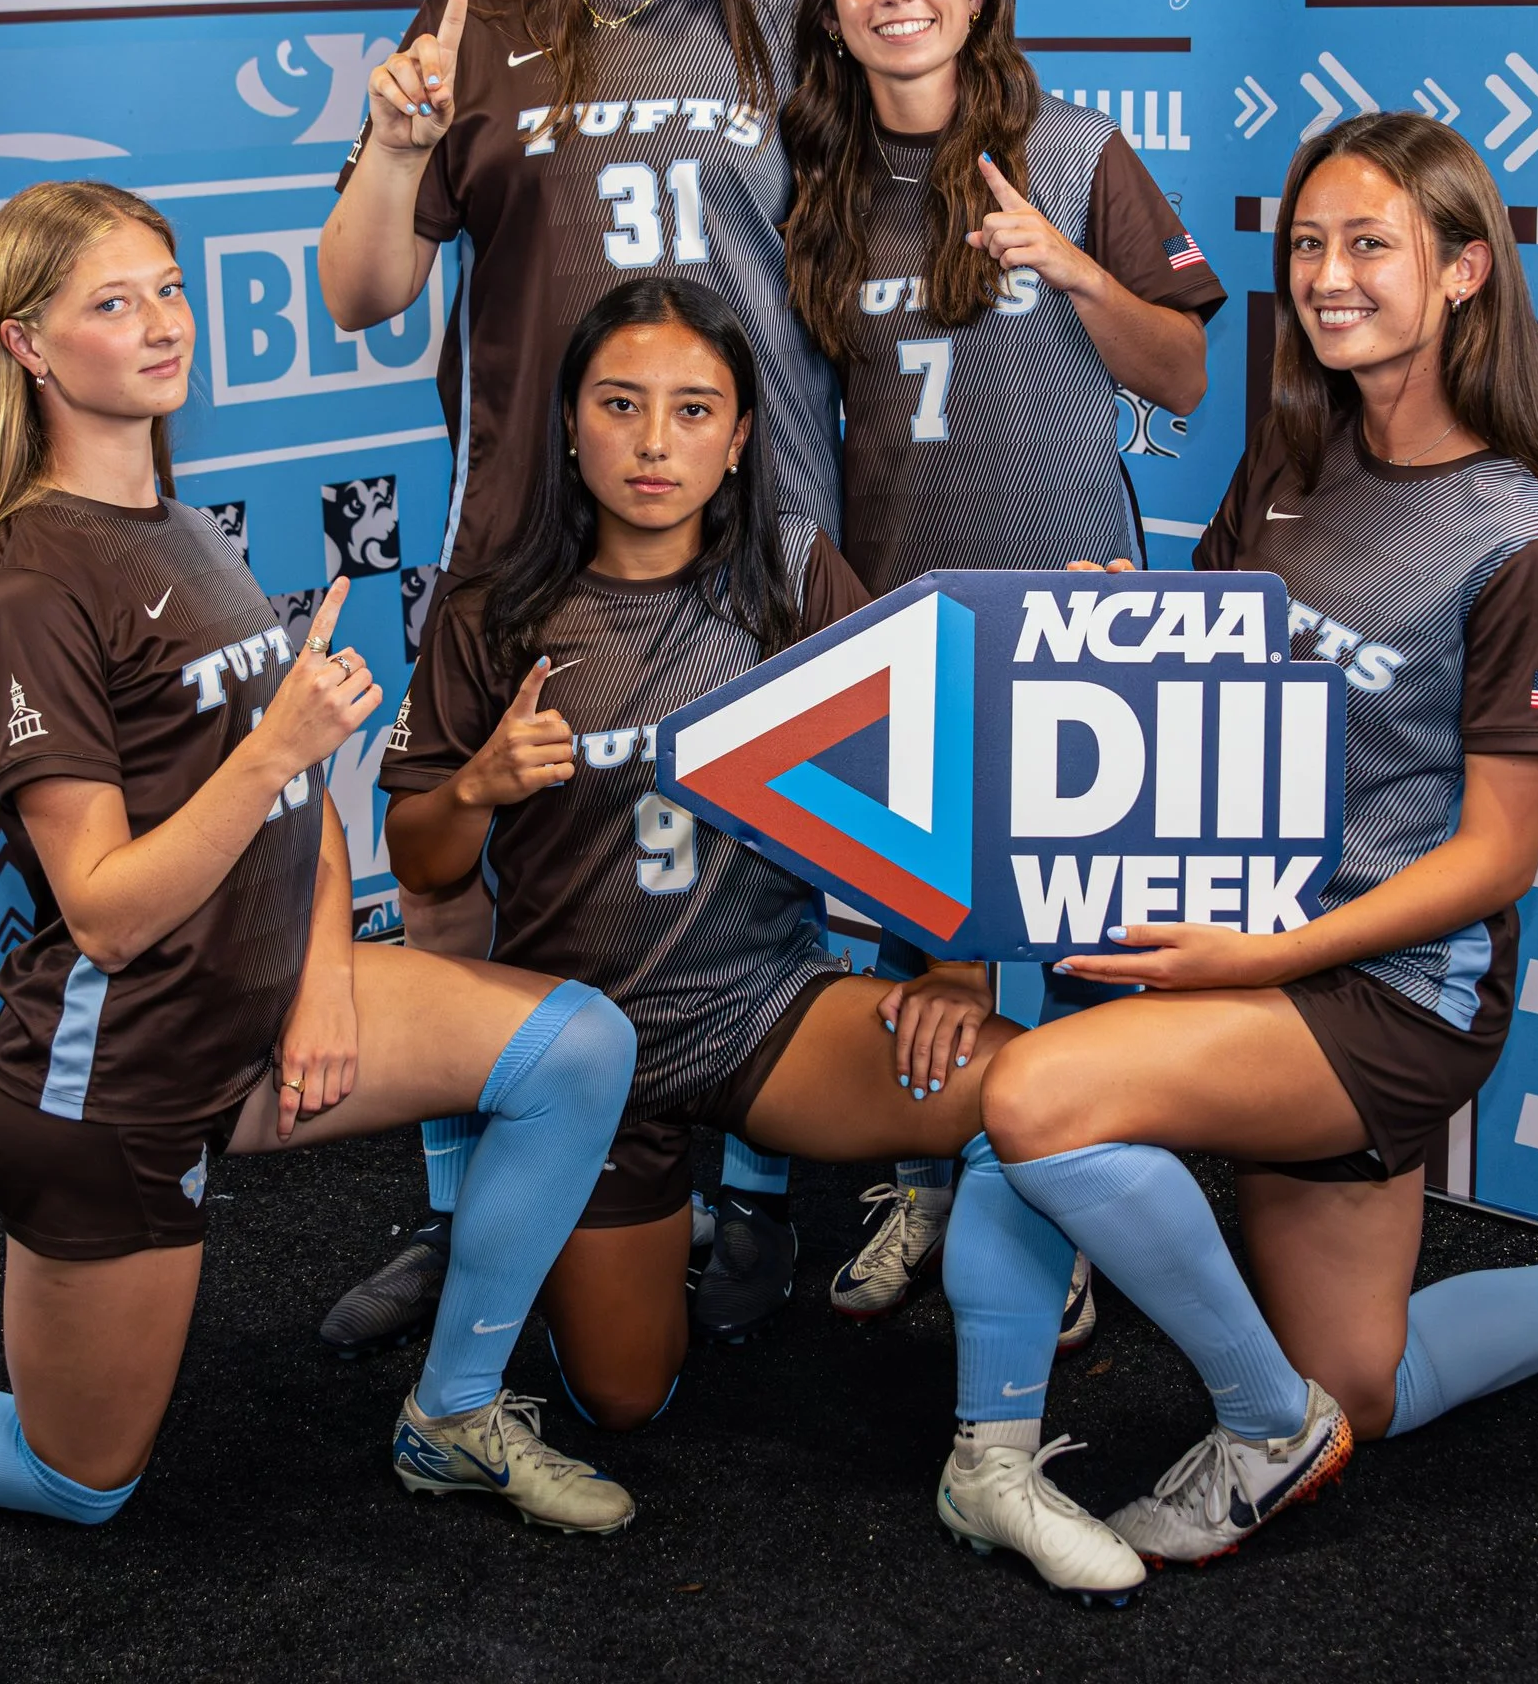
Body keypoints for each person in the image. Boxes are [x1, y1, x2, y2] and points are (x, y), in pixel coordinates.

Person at [0, 181, 640, 1535]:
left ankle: (452, 1418)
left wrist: (330, 978)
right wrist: (276, 751)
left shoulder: (173, 520)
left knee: (577, 1049)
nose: (163, 323)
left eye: (169, 290)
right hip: (115, 1080)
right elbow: (107, 913)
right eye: (113, 304)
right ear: (28, 347)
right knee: (78, 1478)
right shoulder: (28, 586)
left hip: (260, 1002)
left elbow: (302, 808)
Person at [975, 113, 1538, 1570]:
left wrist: (1264, 956)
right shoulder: (1294, 461)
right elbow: (1211, 695)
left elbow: (1499, 858)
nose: (1327, 276)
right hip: (1265, 942)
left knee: (1038, 1098)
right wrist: (1113, 629)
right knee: (1367, 1384)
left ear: (1460, 272)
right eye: (1309, 244)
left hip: (1390, 989)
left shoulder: (1523, 543)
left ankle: (1263, 1428)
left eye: (1369, 244)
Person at [380, 277, 1152, 1601]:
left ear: (741, 434)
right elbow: (422, 858)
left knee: (1032, 1092)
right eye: (619, 406)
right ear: (569, 424)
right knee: (626, 1401)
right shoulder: (491, 604)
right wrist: (476, 789)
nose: (652, 443)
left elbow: (925, 767)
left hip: (766, 1015)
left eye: (693, 411)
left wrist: (958, 967)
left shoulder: (788, 574)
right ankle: (649, 1223)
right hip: (584, 1059)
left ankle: (999, 1456)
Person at [318, 0, 832, 1351]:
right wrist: (395, 153)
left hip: (757, 529)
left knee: (769, 837)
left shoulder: (779, 13)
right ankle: (469, 1211)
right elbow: (360, 292)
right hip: (524, 525)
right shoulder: (476, 11)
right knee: (469, 860)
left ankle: (750, 1204)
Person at [778, 0, 1228, 1329]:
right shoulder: (817, 187)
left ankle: (1080, 1205)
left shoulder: (1078, 148)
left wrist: (1074, 270)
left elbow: (1185, 373)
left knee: (1089, 944)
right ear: (834, 14)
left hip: (1083, 614)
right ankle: (933, 1177)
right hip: (912, 615)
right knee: (931, 944)